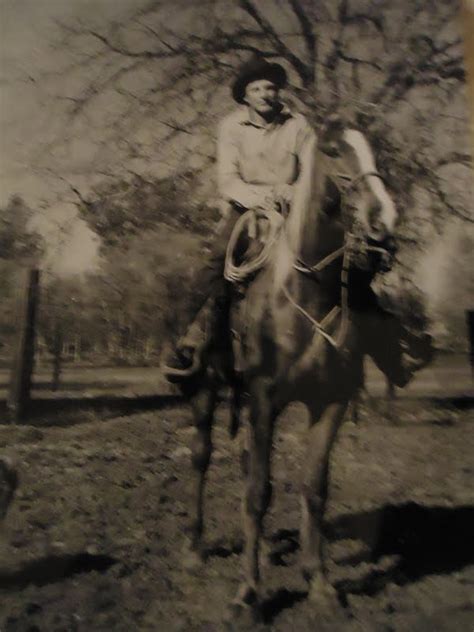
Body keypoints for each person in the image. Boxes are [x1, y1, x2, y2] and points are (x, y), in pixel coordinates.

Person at [163, 55, 317, 379]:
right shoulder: (231, 127)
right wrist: (262, 199)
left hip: (293, 208)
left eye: (271, 88)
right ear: (245, 96)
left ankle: (365, 340)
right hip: (245, 208)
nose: (265, 94)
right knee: (215, 263)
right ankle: (190, 340)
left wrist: (293, 193)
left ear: (279, 93)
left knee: (334, 254)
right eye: (257, 88)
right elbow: (228, 179)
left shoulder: (299, 125)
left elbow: (311, 171)